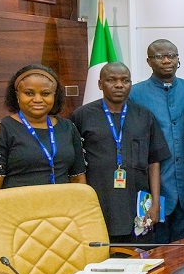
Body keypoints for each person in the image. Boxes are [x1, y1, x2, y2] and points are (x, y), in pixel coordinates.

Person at [69, 62, 170, 243]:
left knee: (141, 258)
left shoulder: (144, 115)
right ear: (100, 84)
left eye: (125, 80)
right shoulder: (82, 116)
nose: (119, 85)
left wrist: (155, 204)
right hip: (99, 199)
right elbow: (73, 165)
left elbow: (154, 161)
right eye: (111, 80)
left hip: (136, 202)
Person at [130, 40, 184, 243]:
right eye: (160, 56)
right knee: (156, 256)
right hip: (152, 191)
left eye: (172, 56)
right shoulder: (135, 94)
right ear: (148, 61)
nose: (167, 60)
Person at [0, 65, 86, 191]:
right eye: (29, 93)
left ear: (55, 95)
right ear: (17, 95)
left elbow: (78, 179)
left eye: (45, 93)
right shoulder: (1, 129)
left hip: (62, 207)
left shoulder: (68, 127)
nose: (38, 99)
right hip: (18, 208)